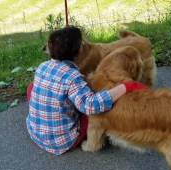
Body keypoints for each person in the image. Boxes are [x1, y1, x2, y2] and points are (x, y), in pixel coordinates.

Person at [25, 26, 144, 155]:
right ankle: (94, 142)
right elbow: (91, 106)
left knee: (31, 88)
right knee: (100, 109)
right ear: (79, 51)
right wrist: (126, 87)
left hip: (35, 132)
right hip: (62, 142)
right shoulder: (72, 77)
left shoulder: (42, 67)